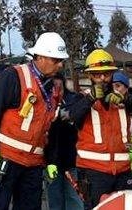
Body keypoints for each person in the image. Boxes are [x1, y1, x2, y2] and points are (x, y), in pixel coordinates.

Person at [0, 32, 68, 210]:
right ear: (41, 57)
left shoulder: (53, 89)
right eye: (56, 60)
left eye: (61, 61)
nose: (60, 65)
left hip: (33, 165)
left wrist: (51, 160)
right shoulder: (13, 76)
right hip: (6, 159)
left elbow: (51, 129)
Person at [62, 49, 132, 208]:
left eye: (106, 74)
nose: (102, 78)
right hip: (93, 172)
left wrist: (124, 98)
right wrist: (91, 98)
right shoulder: (82, 97)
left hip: (123, 170)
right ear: (89, 76)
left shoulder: (121, 94)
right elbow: (73, 116)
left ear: (112, 74)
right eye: (97, 74)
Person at [44, 75, 84, 210]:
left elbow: (77, 116)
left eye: (59, 88)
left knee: (74, 198)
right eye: (53, 88)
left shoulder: (73, 100)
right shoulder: (44, 103)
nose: (57, 92)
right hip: (50, 162)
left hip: (71, 159)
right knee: (55, 198)